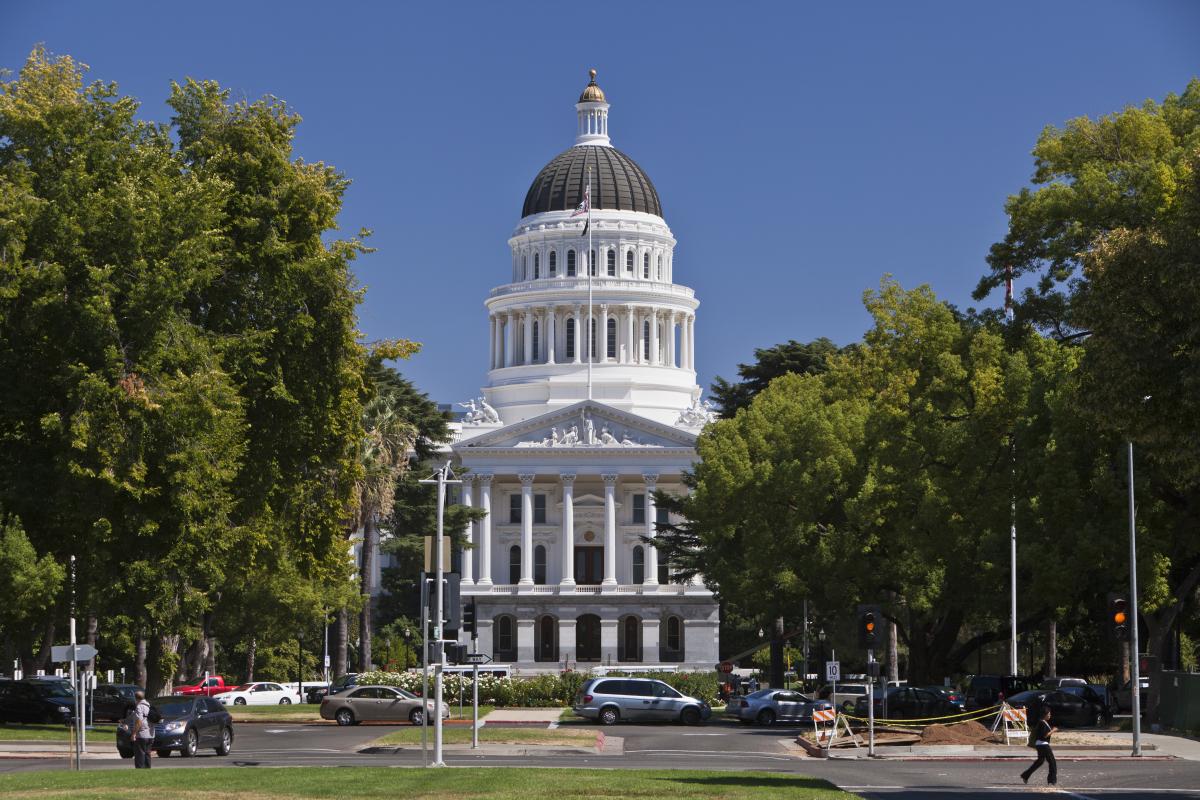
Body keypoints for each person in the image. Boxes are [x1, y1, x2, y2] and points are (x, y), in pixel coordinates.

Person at [1021, 705, 1057, 785]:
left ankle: (1025, 775)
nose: (1050, 715)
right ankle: (1051, 781)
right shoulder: (1042, 723)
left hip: (1040, 744)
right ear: (1045, 714)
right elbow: (1045, 735)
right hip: (1043, 745)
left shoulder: (1043, 722)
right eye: (1049, 714)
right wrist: (1053, 730)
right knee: (1052, 762)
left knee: (1040, 761)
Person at [132, 690, 154, 769]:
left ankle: (140, 770)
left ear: (136, 698)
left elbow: (139, 721)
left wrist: (134, 733)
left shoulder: (139, 707)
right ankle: (147, 769)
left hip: (142, 735)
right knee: (147, 753)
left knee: (140, 754)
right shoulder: (149, 705)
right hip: (151, 734)